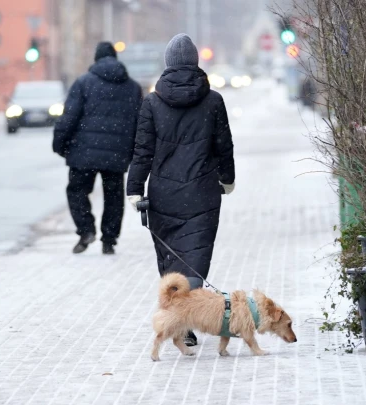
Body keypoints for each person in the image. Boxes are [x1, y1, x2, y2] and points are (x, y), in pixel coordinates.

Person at [126, 34, 235, 346]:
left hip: (164, 195)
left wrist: (135, 188)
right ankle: (185, 319)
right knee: (195, 260)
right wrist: (227, 179)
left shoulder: (152, 102)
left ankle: (180, 321)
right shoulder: (213, 101)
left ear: (168, 64)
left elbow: (142, 151)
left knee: (170, 262)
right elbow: (224, 146)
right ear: (196, 63)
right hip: (202, 193)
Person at [53, 42, 143, 255]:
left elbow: (69, 117)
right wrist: (135, 152)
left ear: (96, 59)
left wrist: (59, 144)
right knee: (114, 196)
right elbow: (140, 124)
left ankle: (86, 230)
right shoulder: (132, 87)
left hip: (83, 152)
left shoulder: (83, 83)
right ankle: (109, 240)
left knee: (77, 191)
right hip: (117, 152)